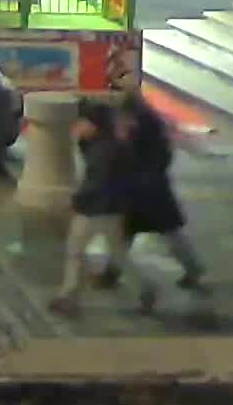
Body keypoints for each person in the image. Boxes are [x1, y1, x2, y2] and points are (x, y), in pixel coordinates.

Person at [113, 93, 206, 312]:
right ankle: (193, 270)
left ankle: (118, 275)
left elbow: (131, 157)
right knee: (169, 234)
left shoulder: (138, 129)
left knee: (123, 236)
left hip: (143, 193)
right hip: (152, 192)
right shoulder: (150, 125)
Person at [48, 102, 132, 316]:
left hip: (98, 209)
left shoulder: (103, 150)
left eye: (81, 122)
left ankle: (69, 297)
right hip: (106, 208)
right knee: (115, 254)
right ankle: (146, 289)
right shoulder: (99, 143)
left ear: (94, 124)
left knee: (77, 251)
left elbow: (94, 182)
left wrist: (76, 203)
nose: (77, 126)